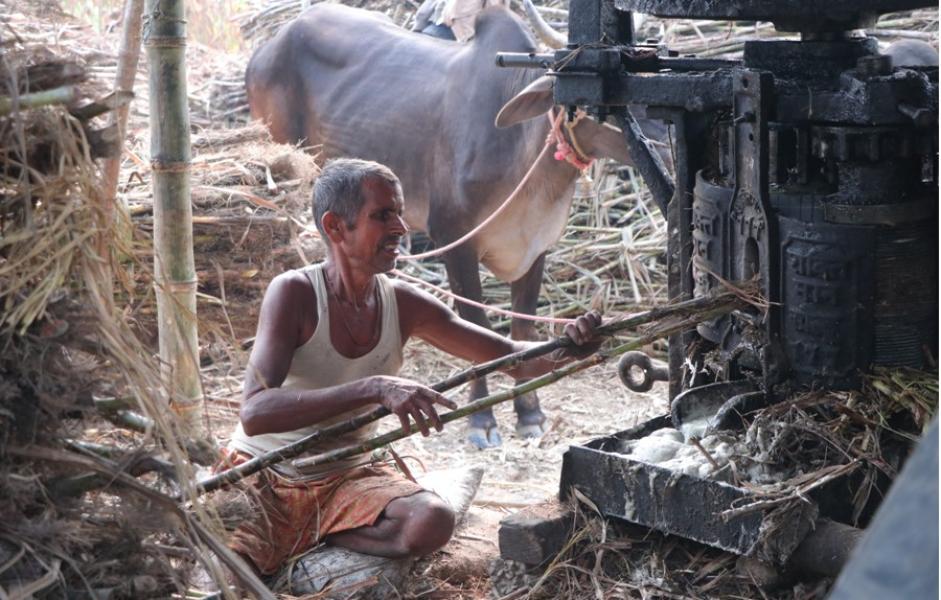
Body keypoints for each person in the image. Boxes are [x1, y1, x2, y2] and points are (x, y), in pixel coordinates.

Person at [223, 158, 602, 576]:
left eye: (400, 213)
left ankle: (317, 529)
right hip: (268, 475)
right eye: (382, 216)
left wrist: (573, 346)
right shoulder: (295, 293)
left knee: (432, 520)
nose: (401, 229)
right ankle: (311, 528)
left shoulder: (401, 302)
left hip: (345, 477)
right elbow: (255, 413)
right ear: (335, 228)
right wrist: (374, 388)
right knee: (224, 569)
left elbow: (510, 358)